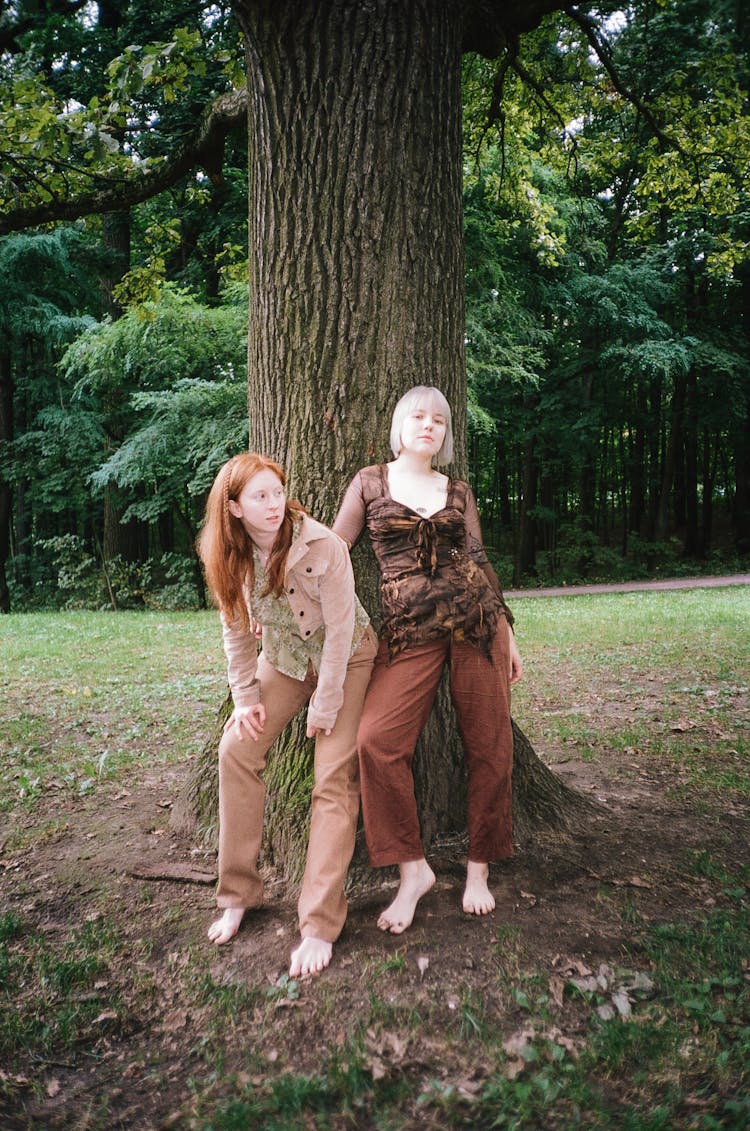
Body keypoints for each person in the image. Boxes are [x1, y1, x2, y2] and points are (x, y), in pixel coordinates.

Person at [333, 386, 523, 934]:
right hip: (408, 632)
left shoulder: (457, 490)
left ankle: (479, 868)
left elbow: (480, 558)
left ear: (445, 433)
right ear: (399, 424)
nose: (428, 426)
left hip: (476, 626)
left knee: (490, 745)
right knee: (375, 740)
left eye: (439, 420)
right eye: (418, 416)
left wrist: (507, 629)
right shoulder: (370, 482)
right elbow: (335, 545)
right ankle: (411, 870)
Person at [197, 453, 377, 977]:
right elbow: (235, 629)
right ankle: (237, 892)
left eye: (277, 492)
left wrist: (327, 701)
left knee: (333, 777)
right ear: (233, 508)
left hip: (346, 659)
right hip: (286, 660)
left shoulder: (323, 544)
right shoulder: (224, 556)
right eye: (259, 497)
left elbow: (342, 633)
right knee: (236, 748)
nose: (274, 504)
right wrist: (245, 696)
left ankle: (319, 924)